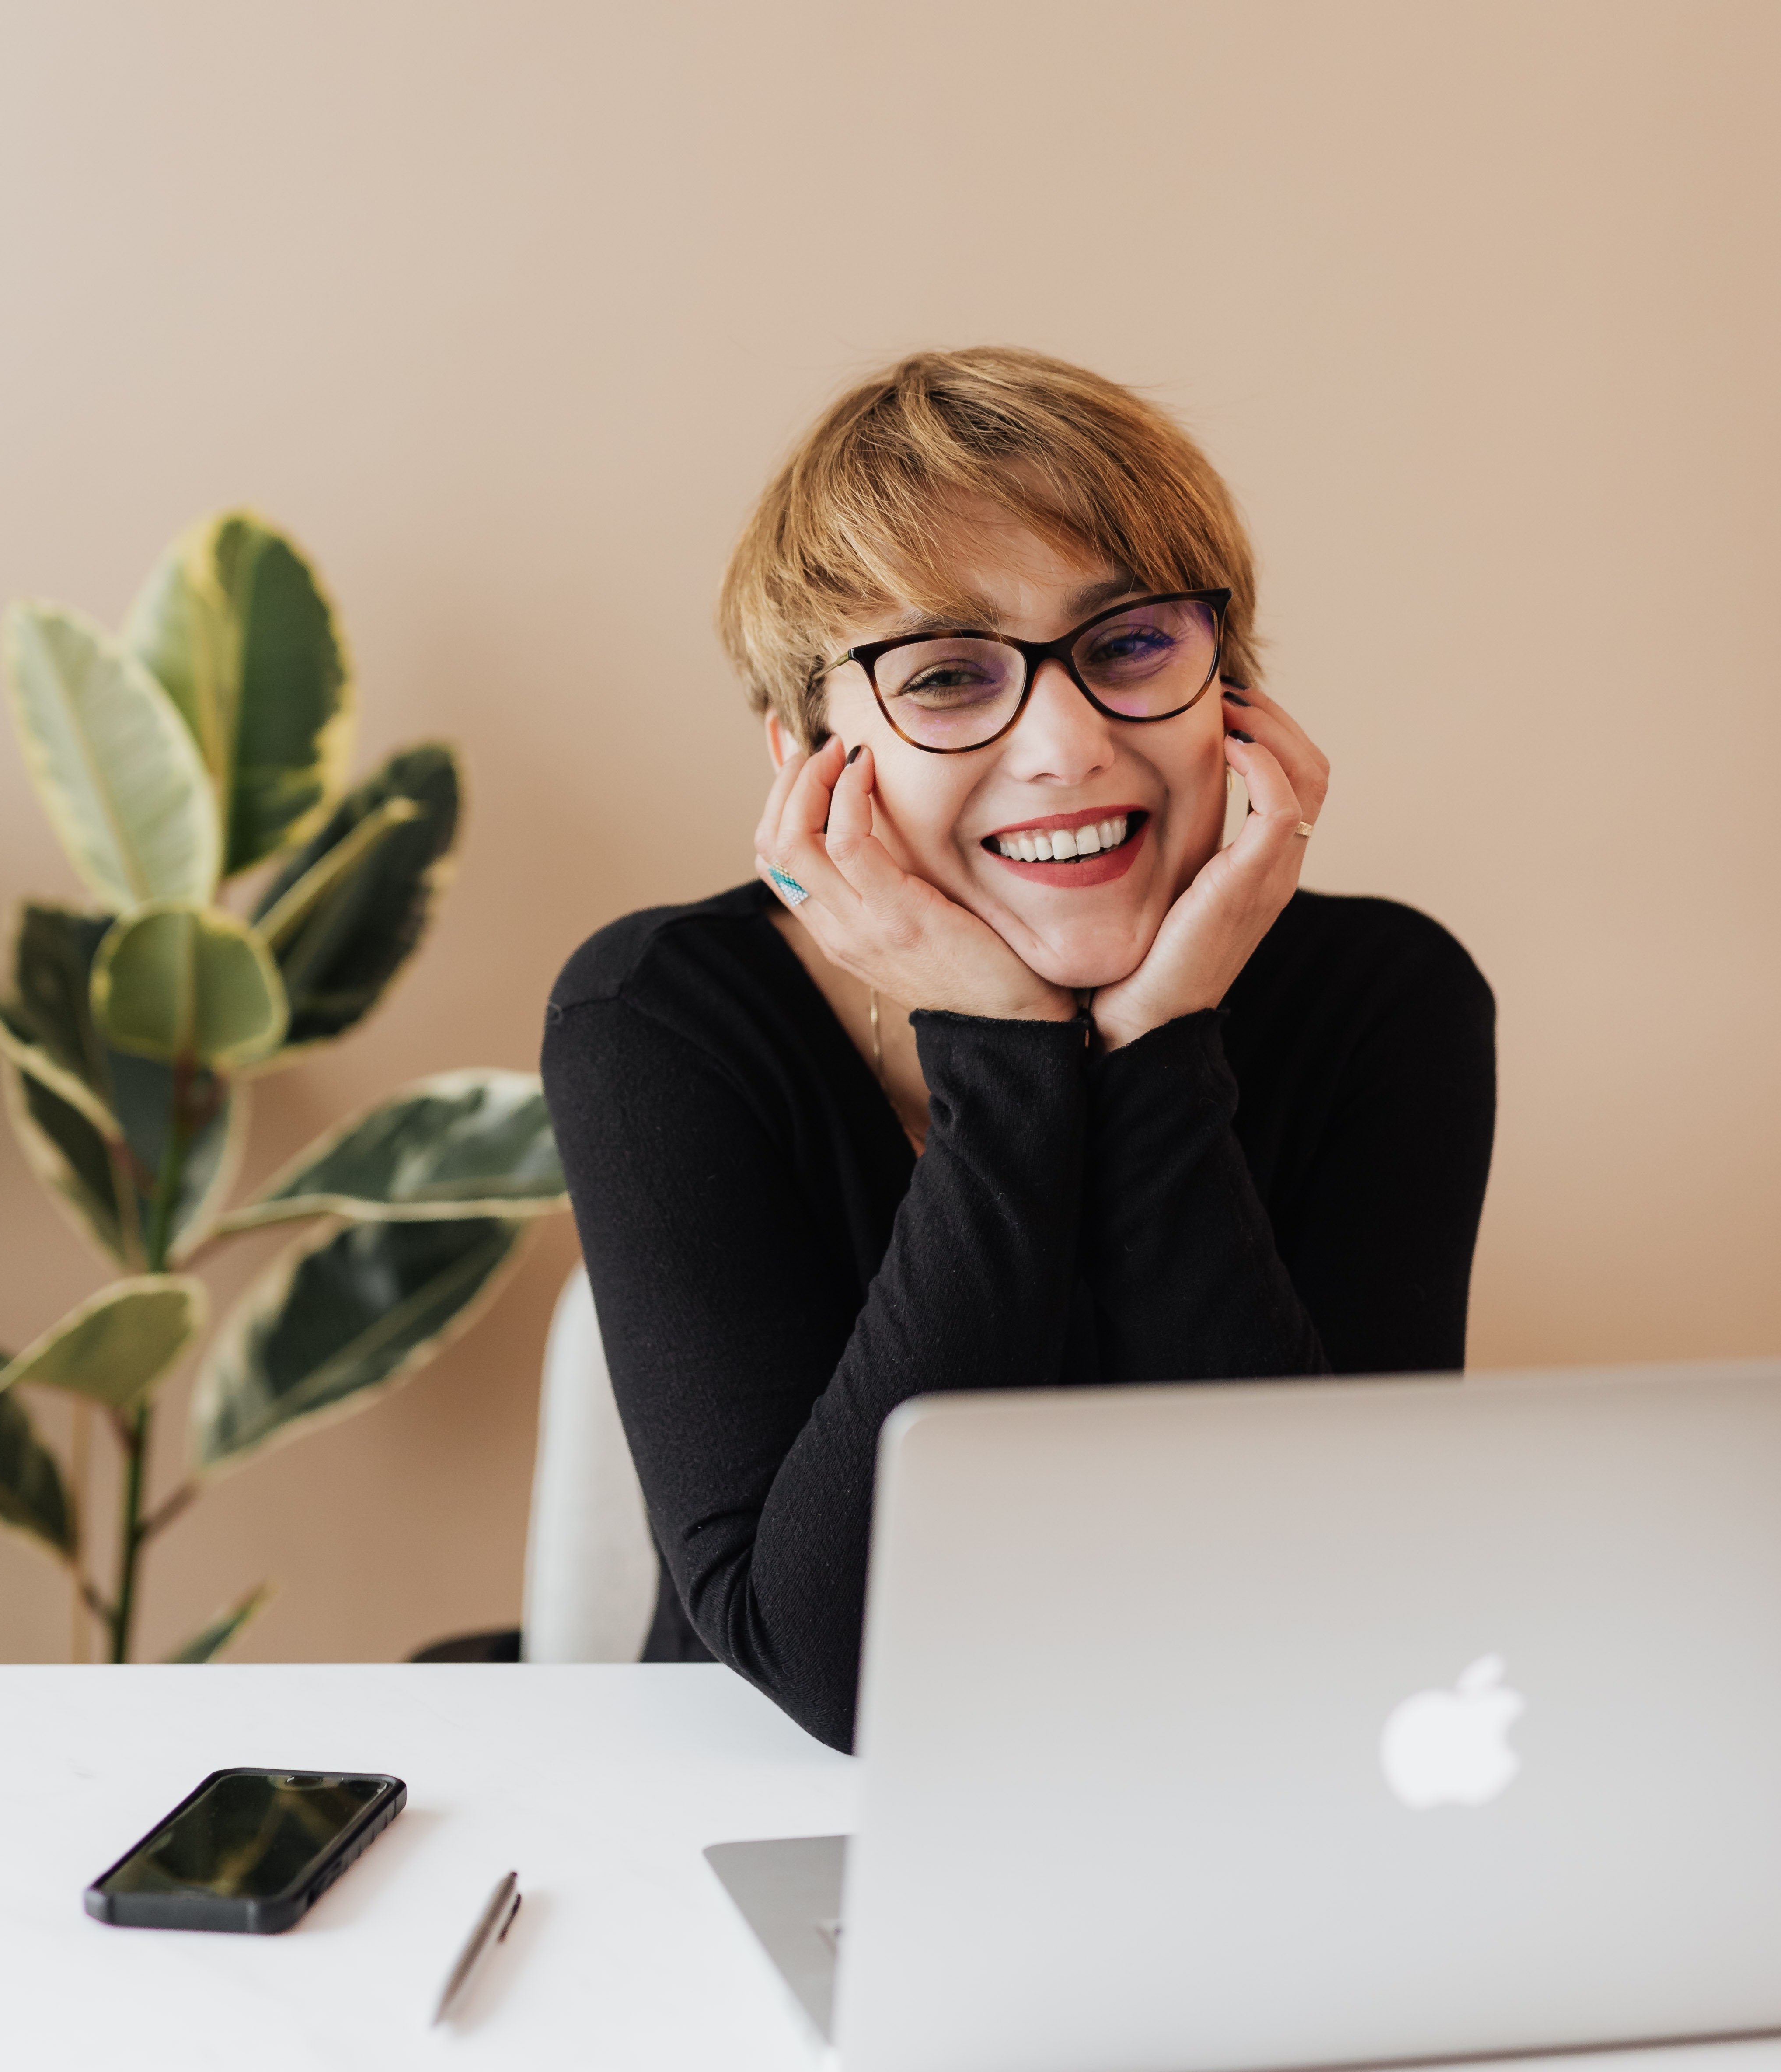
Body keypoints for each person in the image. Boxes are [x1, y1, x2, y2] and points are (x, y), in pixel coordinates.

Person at [542, 349, 1495, 1751]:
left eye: (1127, 647)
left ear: (1231, 687)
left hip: (1235, 1784)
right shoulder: (661, 1017)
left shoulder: (1386, 995)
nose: (1063, 746)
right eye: (944, 676)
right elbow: (838, 1671)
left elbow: (1342, 1602)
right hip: (774, 1814)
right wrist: (1003, 1052)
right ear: (810, 755)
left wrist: (1158, 1047)